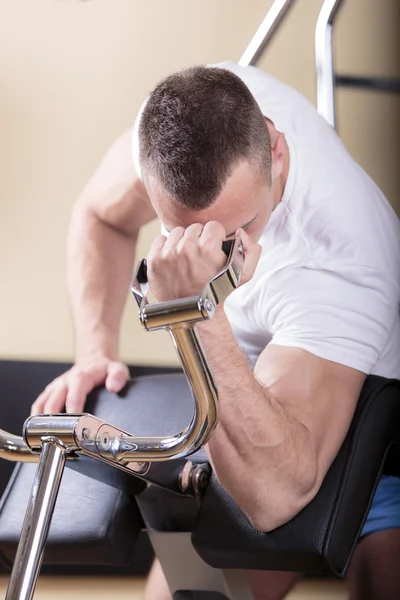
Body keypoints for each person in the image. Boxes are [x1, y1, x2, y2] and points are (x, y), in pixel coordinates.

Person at [31, 62, 400, 600]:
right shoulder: (187, 120)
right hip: (259, 386)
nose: (218, 253)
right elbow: (101, 216)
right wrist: (94, 351)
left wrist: (196, 311)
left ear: (275, 148)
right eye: (185, 230)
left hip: (371, 424)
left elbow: (275, 496)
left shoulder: (339, 263)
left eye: (240, 228)